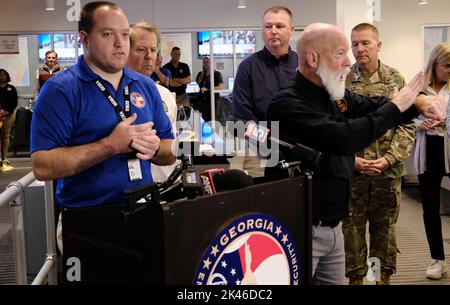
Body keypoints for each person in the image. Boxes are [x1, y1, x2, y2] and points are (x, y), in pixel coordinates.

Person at [267, 23, 446, 285]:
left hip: (333, 225)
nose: (349, 61)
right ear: (312, 58)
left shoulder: (332, 93)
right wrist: (398, 105)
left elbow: (368, 105)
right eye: (340, 53)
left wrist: (416, 103)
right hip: (304, 227)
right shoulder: (288, 103)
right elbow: (344, 137)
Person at [31, 1, 175, 209]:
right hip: (88, 219)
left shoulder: (145, 85)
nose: (120, 43)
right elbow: (42, 166)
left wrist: (155, 149)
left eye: (125, 35)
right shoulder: (60, 90)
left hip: (143, 210)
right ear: (85, 39)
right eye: (108, 34)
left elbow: (169, 151)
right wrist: (111, 145)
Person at [341, 23, 416, 285]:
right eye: (354, 44)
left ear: (378, 45)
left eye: (365, 43)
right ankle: (357, 279)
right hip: (353, 173)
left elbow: (407, 125)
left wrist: (388, 159)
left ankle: (380, 279)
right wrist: (354, 162)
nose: (359, 49)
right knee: (352, 231)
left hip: (387, 173)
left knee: (384, 230)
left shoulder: (396, 79)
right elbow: (336, 128)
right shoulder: (343, 81)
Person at [232, 5, 297, 177]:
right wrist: (271, 143)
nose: (273, 31)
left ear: (291, 30)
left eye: (279, 26)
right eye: (268, 27)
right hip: (259, 153)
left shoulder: (303, 65)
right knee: (263, 202)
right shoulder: (248, 67)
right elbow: (241, 117)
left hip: (300, 151)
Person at [414, 42, 450, 280]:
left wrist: (445, 122)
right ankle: (437, 260)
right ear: (434, 64)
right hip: (428, 150)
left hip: (449, 145)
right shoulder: (418, 88)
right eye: (447, 66)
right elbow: (404, 120)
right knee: (430, 208)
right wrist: (421, 124)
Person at [127, 20, 179, 182]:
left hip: (167, 180)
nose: (149, 56)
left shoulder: (166, 95)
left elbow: (172, 142)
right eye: (141, 50)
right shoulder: (115, 93)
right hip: (135, 186)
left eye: (153, 50)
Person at [195, 56, 224, 122]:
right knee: (203, 122)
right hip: (202, 103)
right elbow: (198, 84)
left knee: (212, 122)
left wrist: (208, 89)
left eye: (207, 62)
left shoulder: (216, 74)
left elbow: (221, 87)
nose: (205, 63)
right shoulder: (200, 74)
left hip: (212, 102)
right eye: (204, 62)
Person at [0, 69, 18, 171]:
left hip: (9, 115)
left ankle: (5, 157)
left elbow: (14, 102)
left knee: (6, 135)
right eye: (0, 75)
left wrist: (7, 111)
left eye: (4, 75)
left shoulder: (11, 88)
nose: (2, 77)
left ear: (7, 76)